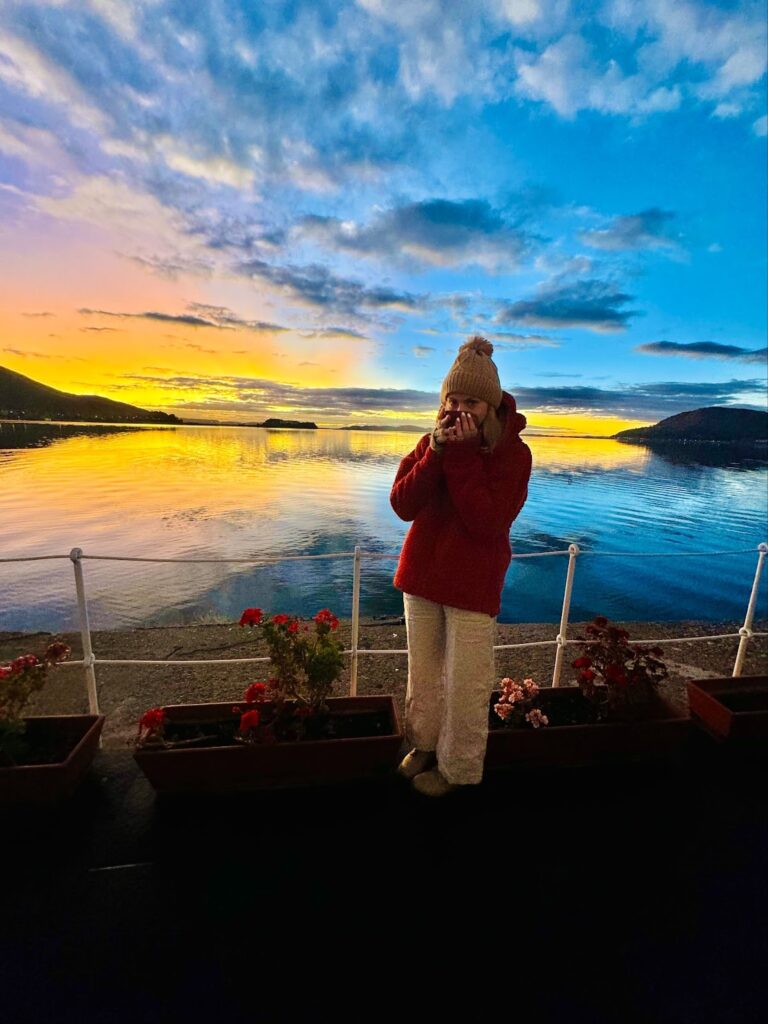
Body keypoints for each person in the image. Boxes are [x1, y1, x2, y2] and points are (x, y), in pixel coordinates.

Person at [389, 335, 532, 797]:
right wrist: (436, 453)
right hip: (422, 576)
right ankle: (424, 745)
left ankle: (459, 768)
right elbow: (403, 505)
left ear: (491, 406)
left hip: (473, 583)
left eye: (470, 401)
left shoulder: (514, 454)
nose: (458, 410)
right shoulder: (429, 443)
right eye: (452, 399)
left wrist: (464, 457)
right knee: (424, 675)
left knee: (467, 683)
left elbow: (487, 522)